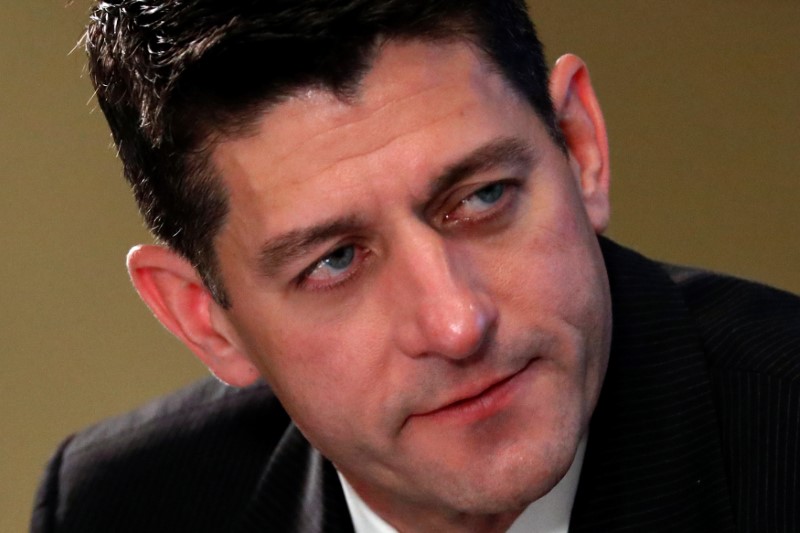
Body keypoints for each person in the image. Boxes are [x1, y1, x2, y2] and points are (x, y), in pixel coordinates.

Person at [31, 1, 799, 532]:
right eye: (334, 261)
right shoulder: (121, 506)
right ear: (205, 319)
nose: (458, 323)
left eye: (484, 196)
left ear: (581, 146)